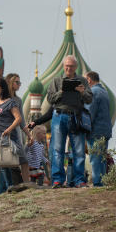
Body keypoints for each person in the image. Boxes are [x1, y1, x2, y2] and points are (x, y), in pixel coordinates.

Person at [45, 55, 93, 188]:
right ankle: (57, 180)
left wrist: (82, 92)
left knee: (78, 150)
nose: (68, 68)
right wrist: (61, 92)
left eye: (71, 66)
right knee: (57, 149)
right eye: (66, 66)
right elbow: (49, 98)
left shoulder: (82, 80)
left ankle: (79, 180)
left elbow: (89, 99)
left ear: (75, 67)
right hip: (59, 115)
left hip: (76, 116)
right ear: (63, 66)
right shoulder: (56, 81)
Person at [0, 78, 29, 190]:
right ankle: (9, 187)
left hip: (11, 138)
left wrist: (9, 129)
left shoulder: (10, 102)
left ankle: (27, 184)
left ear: (2, 88)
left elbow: (18, 118)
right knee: (3, 163)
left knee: (23, 160)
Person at [85, 71, 112, 186]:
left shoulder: (93, 92)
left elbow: (90, 113)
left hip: (95, 131)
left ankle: (97, 183)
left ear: (89, 80)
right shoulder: (104, 91)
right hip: (105, 131)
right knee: (102, 158)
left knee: (95, 158)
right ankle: (103, 182)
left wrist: (84, 127)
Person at [5, 73, 31, 187]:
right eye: (17, 82)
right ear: (10, 83)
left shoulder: (18, 100)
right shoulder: (2, 99)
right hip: (4, 133)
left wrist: (29, 135)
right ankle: (5, 186)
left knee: (23, 160)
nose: (19, 85)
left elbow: (22, 121)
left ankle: (27, 185)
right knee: (5, 161)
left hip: (15, 134)